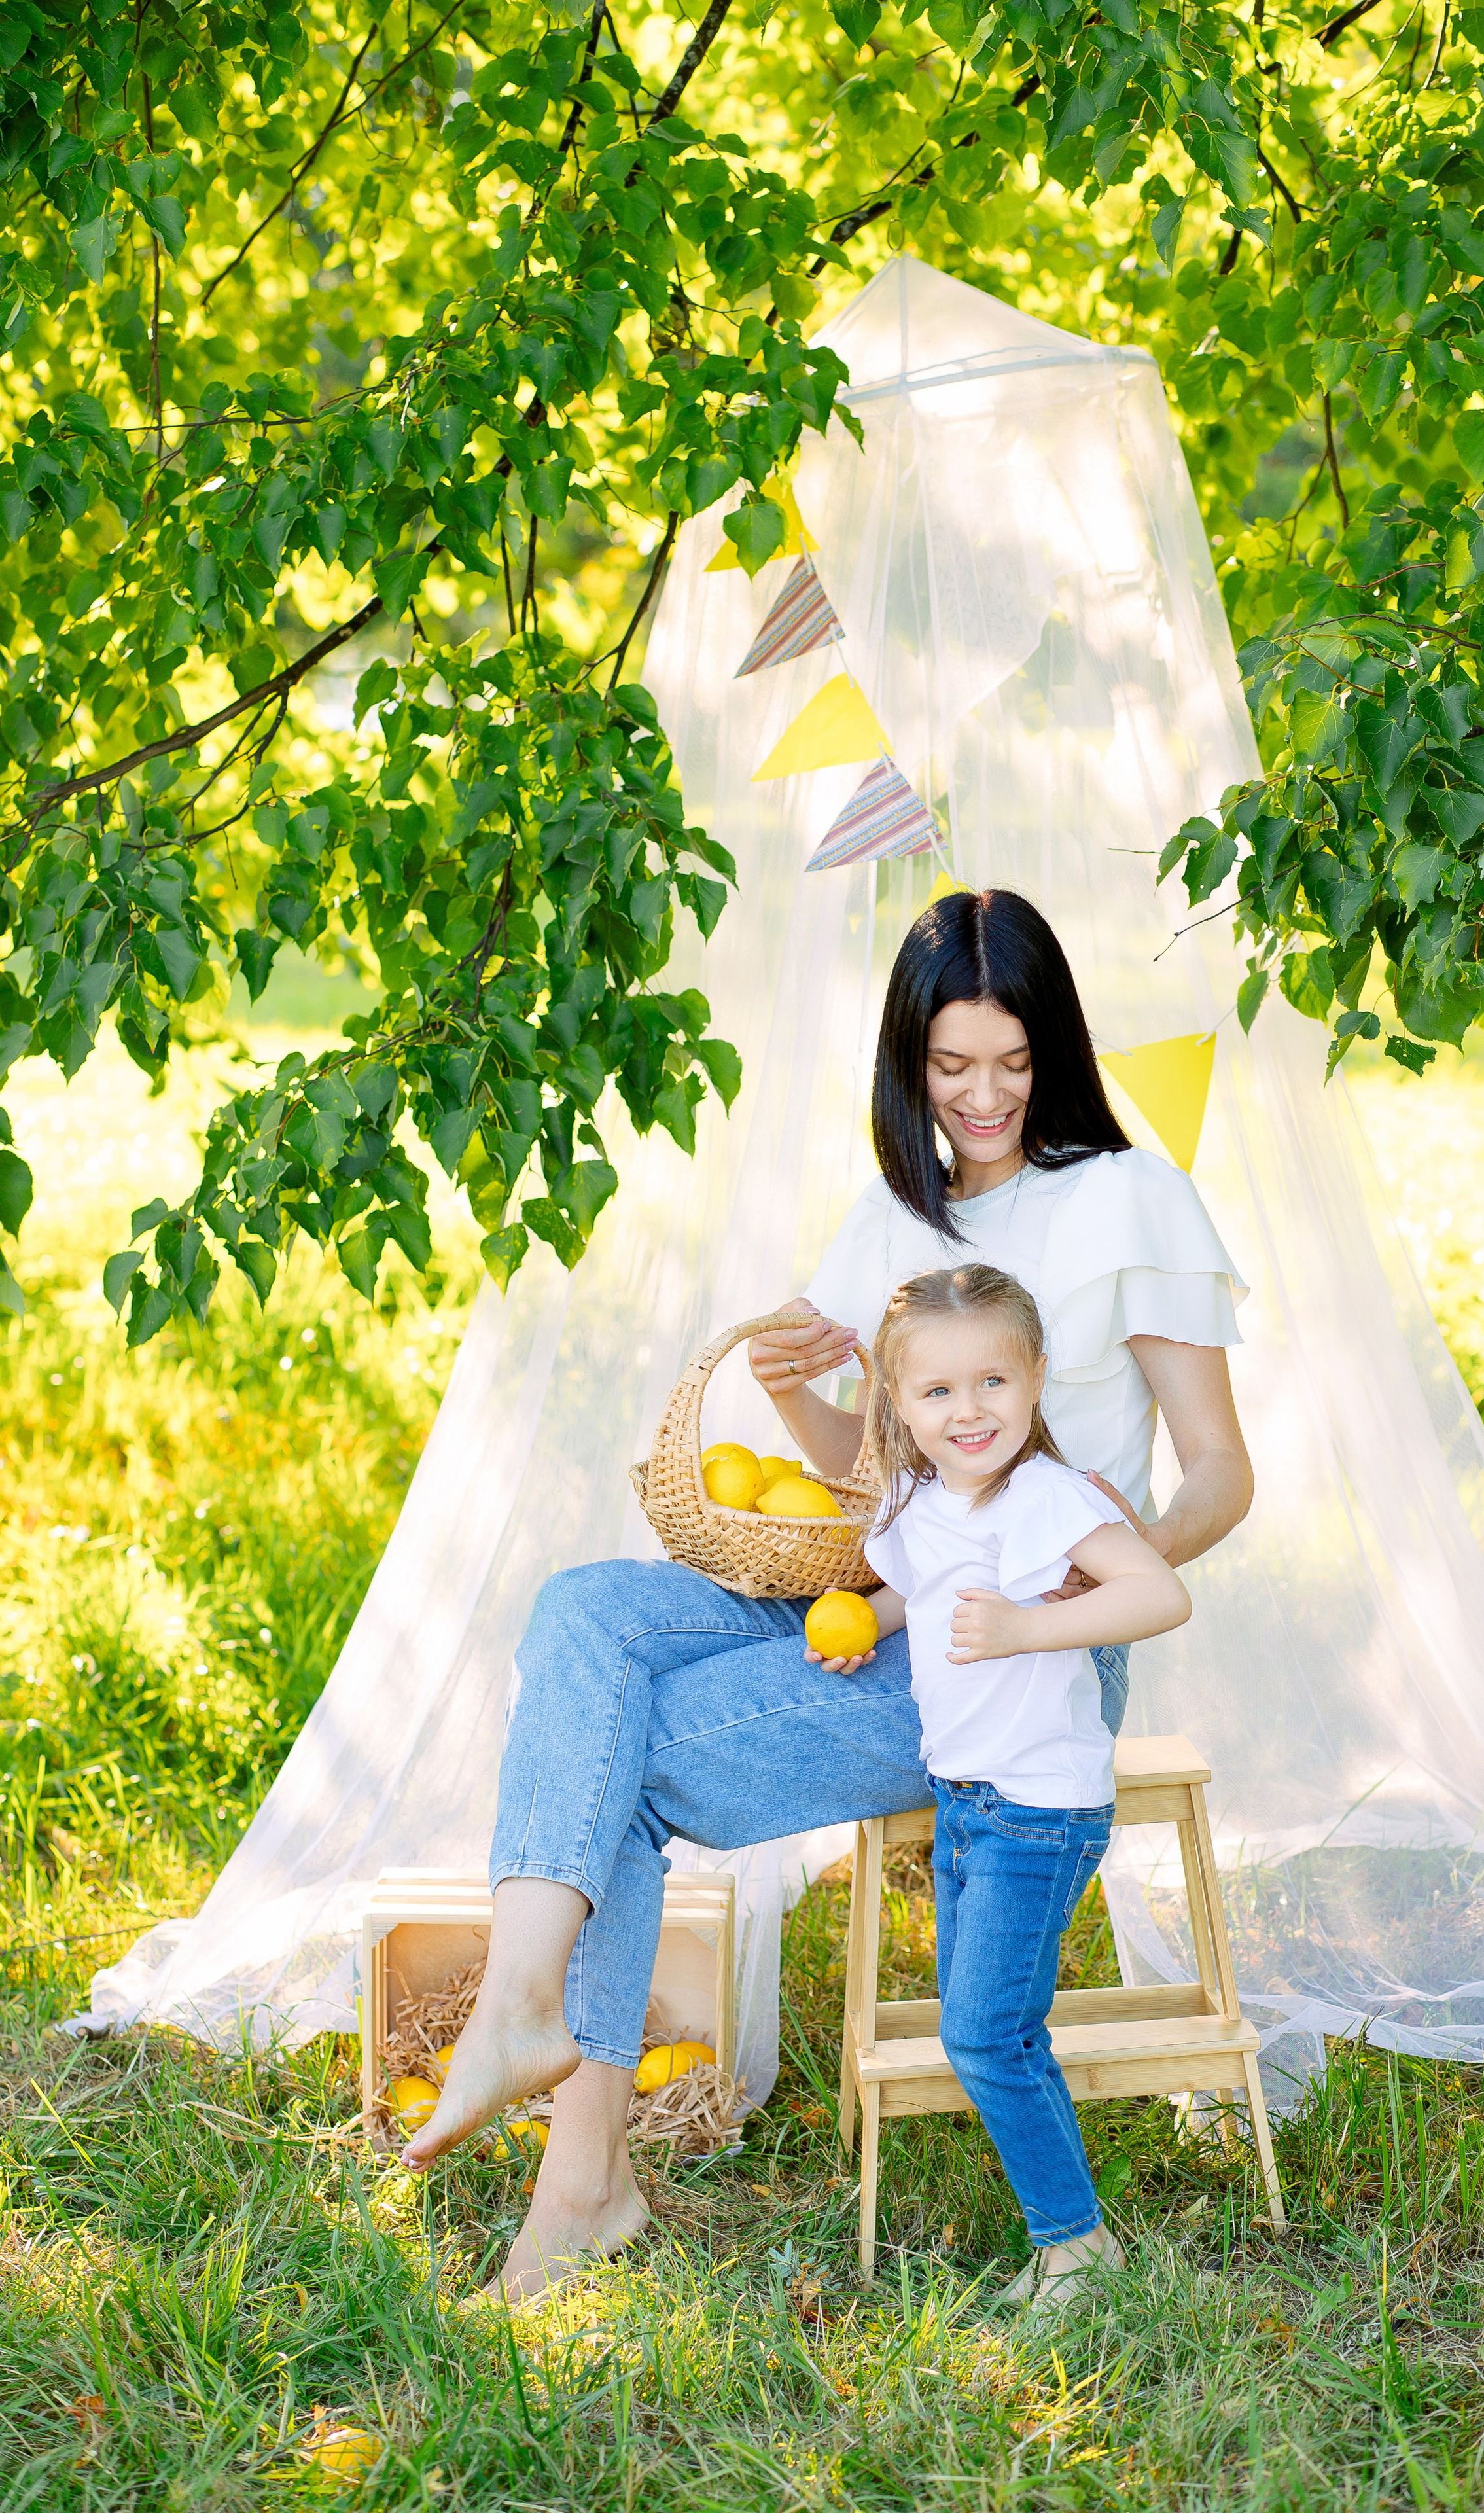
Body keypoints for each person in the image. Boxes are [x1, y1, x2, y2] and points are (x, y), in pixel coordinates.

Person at [402, 888, 1253, 2304]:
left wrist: (1099, 1567)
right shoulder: (888, 1219)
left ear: (1055, 1049)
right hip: (877, 1586)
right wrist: (803, 1397)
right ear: (906, 1062)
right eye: (949, 1066)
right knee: (584, 1614)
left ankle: (576, 2181)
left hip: (1016, 1652)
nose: (982, 1098)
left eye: (1013, 1060)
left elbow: (1222, 1469)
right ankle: (523, 2014)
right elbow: (873, 1491)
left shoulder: (1130, 1200)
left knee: (624, 1759)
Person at [813, 1261, 1192, 2308]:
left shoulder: (1047, 1498)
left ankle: (1074, 2245)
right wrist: (865, 1628)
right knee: (1004, 2027)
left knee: (979, 2033)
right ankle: (1076, 2239)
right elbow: (914, 1589)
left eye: (992, 1384)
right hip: (966, 1804)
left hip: (1042, 1808)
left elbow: (1159, 1595)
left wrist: (1030, 1627)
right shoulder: (921, 1503)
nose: (967, 1411)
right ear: (898, 1402)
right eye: (936, 1391)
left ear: (1034, 1383)